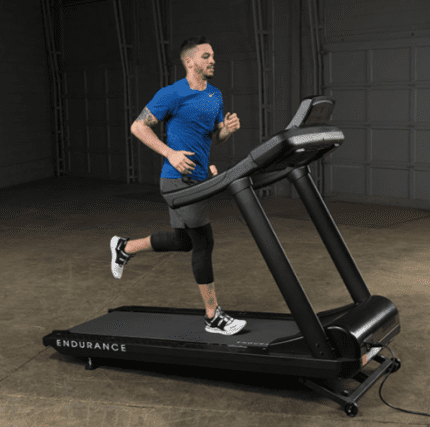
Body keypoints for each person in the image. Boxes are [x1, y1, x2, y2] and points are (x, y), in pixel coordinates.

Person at [110, 36, 246, 336]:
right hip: (176, 180)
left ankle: (125, 246)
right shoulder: (171, 94)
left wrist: (226, 130)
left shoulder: (215, 95)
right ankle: (213, 317)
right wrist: (169, 152)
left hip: (197, 179)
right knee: (204, 243)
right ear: (189, 62)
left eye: (213, 56)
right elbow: (138, 126)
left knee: (184, 241)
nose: (213, 61)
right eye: (206, 56)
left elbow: (212, 136)